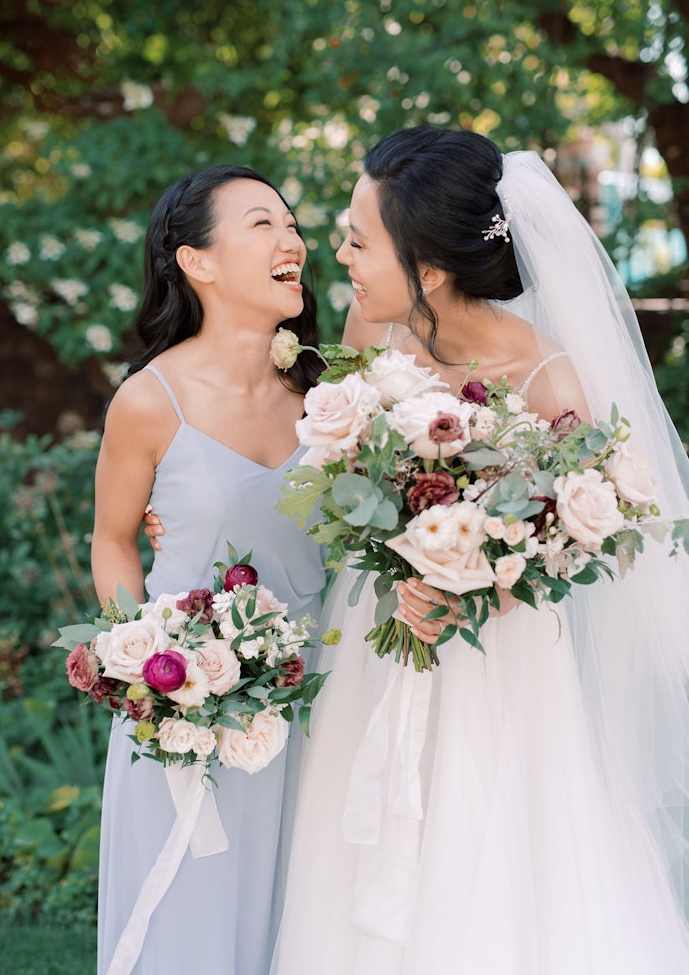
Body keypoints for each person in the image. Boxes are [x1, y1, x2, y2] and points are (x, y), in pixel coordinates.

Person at [270, 127, 689, 974]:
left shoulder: (547, 377)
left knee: (488, 848)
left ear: (428, 269)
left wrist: (474, 590)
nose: (340, 256)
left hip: (498, 658)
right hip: (382, 640)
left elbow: (580, 539)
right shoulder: (373, 330)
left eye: (359, 240)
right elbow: (335, 466)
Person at [91, 164, 327, 975]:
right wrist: (147, 666)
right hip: (190, 709)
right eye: (263, 224)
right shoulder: (149, 401)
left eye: (292, 223)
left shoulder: (329, 395)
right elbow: (113, 540)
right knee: (188, 923)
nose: (292, 239)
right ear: (197, 261)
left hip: (318, 699)